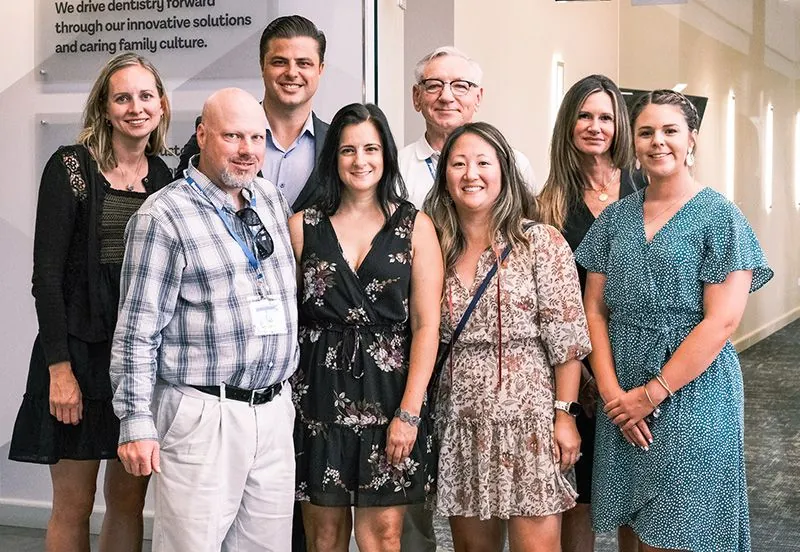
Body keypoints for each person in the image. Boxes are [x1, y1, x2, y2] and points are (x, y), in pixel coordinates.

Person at [575, 89, 773, 552]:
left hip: (692, 392)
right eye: (646, 132)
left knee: (681, 530)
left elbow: (721, 323)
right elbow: (594, 310)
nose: (657, 141)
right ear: (633, 143)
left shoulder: (720, 216)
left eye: (670, 131)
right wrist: (612, 396)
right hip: (620, 392)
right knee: (632, 528)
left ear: (692, 141)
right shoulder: (615, 218)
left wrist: (651, 393)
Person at [110, 88, 298, 551]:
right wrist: (135, 421)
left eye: (257, 137)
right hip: (202, 414)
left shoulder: (270, 200)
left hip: (273, 412)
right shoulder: (162, 216)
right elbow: (137, 331)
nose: (247, 150)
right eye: (233, 136)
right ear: (201, 135)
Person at [8, 52, 172, 552]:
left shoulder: (164, 178)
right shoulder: (71, 168)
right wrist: (60, 371)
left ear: (161, 106)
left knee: (128, 504)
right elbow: (47, 278)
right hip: (75, 358)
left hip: (136, 362)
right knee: (74, 505)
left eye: (146, 96)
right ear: (104, 107)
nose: (135, 107)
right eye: (122, 97)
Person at [423, 122, 591, 552]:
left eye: (483, 162)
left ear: (505, 171)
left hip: (531, 422)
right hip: (461, 419)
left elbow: (568, 340)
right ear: (444, 174)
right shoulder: (432, 244)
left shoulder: (540, 241)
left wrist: (565, 414)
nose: (470, 174)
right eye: (458, 163)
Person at [289, 102, 442, 552]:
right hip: (316, 398)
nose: (360, 160)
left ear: (387, 155)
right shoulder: (302, 226)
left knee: (384, 537)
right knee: (324, 537)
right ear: (333, 158)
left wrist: (410, 413)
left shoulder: (415, 226)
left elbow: (427, 326)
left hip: (390, 397)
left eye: (371, 149)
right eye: (348, 150)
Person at [537, 74, 639, 552]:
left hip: (640, 364)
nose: (595, 126)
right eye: (584, 116)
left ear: (619, 123)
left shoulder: (646, 189)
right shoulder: (548, 203)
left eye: (604, 116)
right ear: (568, 123)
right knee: (575, 495)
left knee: (639, 493)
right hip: (577, 372)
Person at [176, 14, 329, 212]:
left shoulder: (337, 144)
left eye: (303, 63)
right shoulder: (215, 136)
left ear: (320, 69)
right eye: (279, 62)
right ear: (262, 66)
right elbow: (181, 205)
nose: (292, 72)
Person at [398, 46, 537, 210]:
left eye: (460, 86)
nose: (446, 97)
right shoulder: (396, 167)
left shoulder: (514, 163)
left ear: (478, 97)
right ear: (416, 97)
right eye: (434, 85)